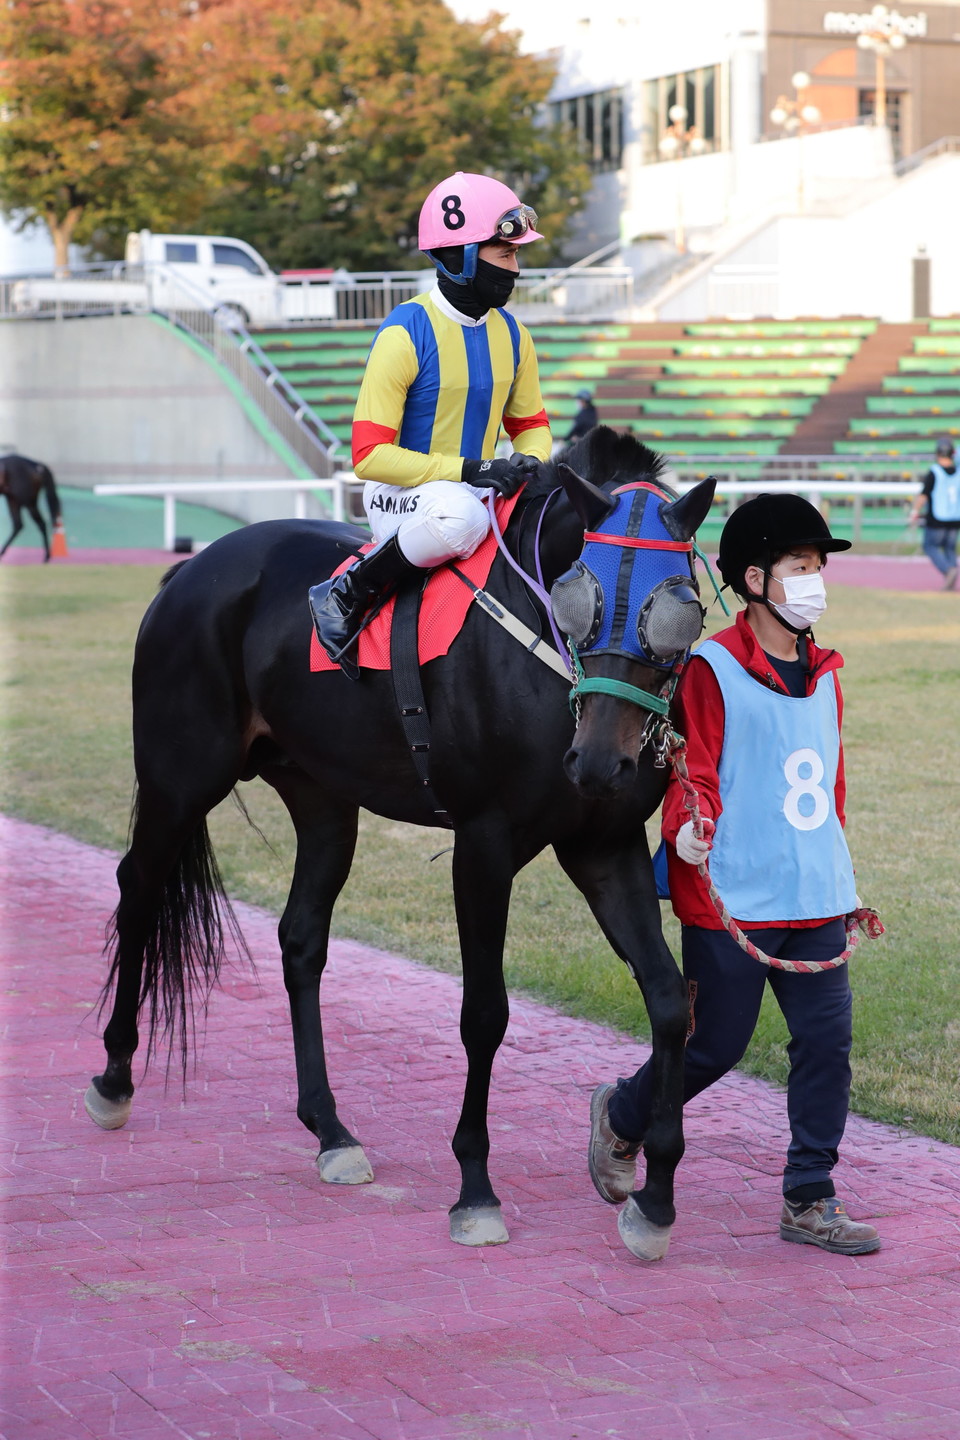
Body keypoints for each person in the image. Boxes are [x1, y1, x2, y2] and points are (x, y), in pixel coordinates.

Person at [588, 494, 882, 1259]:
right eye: (800, 567)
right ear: (754, 577)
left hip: (812, 892)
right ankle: (623, 1115)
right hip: (732, 895)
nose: (815, 581)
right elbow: (698, 767)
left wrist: (840, 881)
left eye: (820, 568)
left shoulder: (826, 672)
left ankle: (809, 1197)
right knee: (714, 1045)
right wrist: (690, 826)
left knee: (827, 1042)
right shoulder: (711, 667)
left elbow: (831, 788)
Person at [309, 171, 552, 668]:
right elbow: (369, 457)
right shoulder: (404, 332)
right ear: (462, 258)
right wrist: (470, 471)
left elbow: (531, 426)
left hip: (478, 487)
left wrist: (529, 463)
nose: (516, 269)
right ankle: (348, 591)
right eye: (506, 255)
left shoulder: (514, 334)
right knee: (461, 517)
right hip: (402, 495)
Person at [908, 436, 959, 590]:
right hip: (955, 517)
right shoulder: (958, 471)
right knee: (949, 548)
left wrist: (915, 511)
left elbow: (924, 495)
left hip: (937, 518)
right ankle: (951, 574)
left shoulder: (934, 472)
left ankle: (947, 570)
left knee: (930, 546)